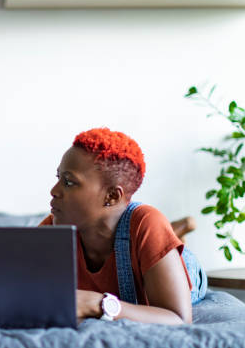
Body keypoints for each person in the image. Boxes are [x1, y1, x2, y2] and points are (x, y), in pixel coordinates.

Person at [41, 127, 206, 325]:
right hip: (138, 246)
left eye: (69, 182)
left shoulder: (147, 222)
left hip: (183, 269)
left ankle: (171, 239)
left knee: (151, 234)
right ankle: (170, 235)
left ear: (111, 196)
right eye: (58, 178)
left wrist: (96, 303)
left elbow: (179, 318)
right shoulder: (53, 228)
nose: (53, 191)